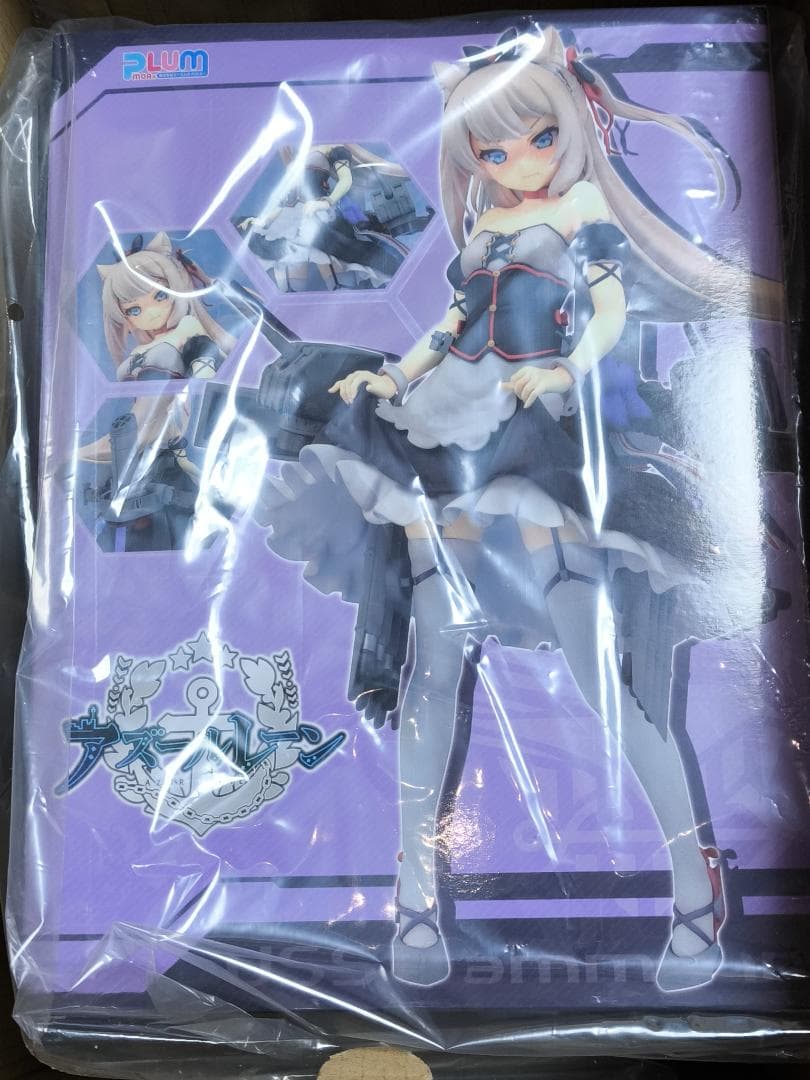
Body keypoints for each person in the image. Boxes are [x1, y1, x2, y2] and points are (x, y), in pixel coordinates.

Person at [254, 26, 783, 991]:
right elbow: (453, 326)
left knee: (606, 679)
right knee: (432, 660)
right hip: (448, 421)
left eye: (537, 139)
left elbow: (610, 309)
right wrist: (392, 375)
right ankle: (416, 893)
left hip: (538, 429)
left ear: (570, 129)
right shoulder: (486, 228)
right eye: (491, 150)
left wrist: (567, 369)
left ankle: (694, 883)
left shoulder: (585, 213)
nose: (517, 162)